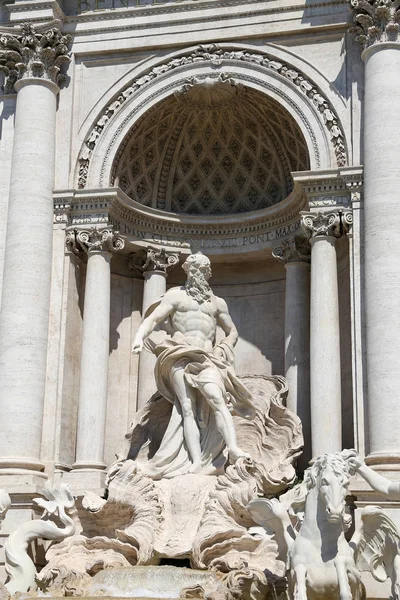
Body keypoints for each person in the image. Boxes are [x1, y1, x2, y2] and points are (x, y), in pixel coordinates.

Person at [131, 252, 255, 477]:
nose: (196, 274)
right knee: (186, 408)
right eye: (192, 269)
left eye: (201, 270)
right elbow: (154, 319)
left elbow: (232, 331)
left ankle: (233, 448)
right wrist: (139, 336)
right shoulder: (175, 296)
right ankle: (196, 461)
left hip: (207, 357)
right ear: (187, 272)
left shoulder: (217, 303)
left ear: (207, 273)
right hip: (179, 354)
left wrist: (223, 346)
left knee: (217, 398)